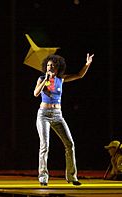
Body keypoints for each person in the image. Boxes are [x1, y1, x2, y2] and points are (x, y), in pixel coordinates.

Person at [33, 53, 94, 186]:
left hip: (57, 114)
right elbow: (36, 93)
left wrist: (87, 64)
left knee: (70, 144)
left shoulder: (61, 79)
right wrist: (45, 80)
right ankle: (43, 178)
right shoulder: (42, 78)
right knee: (45, 146)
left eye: (52, 66)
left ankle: (72, 177)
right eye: (48, 65)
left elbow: (79, 75)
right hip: (43, 114)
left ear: (57, 68)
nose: (50, 67)